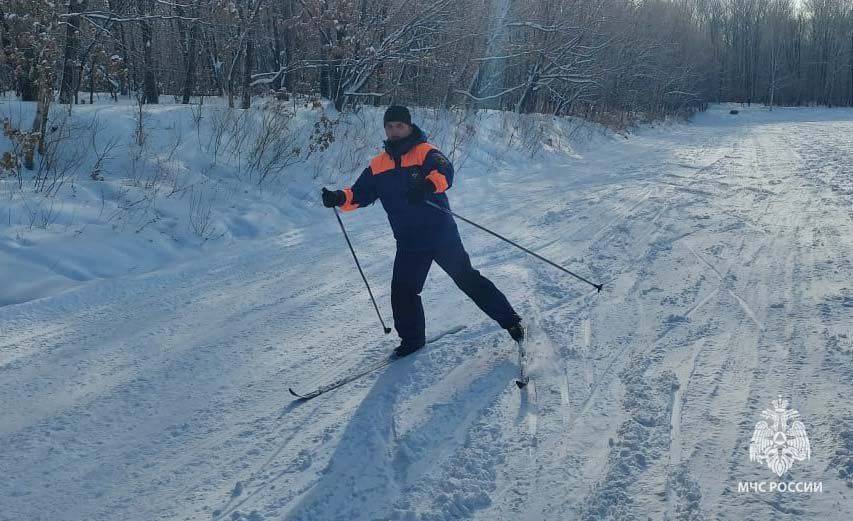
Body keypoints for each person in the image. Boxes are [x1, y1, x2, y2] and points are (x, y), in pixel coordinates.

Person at [322, 105, 524, 357]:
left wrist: (428, 184)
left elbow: (444, 172)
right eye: (390, 126)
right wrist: (339, 197)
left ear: (409, 127)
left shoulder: (425, 151)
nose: (394, 131)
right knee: (403, 292)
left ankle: (511, 320)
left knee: (467, 279)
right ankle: (412, 340)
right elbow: (360, 194)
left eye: (399, 126)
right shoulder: (378, 165)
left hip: (441, 235)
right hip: (409, 241)